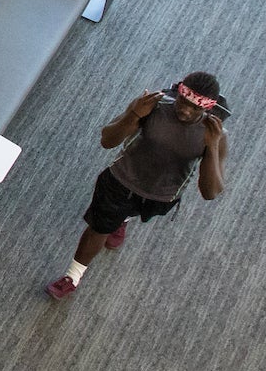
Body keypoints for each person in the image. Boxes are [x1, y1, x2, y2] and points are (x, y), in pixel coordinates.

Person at [47, 72, 229, 301]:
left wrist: (211, 147)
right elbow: (107, 140)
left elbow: (210, 192)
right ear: (178, 92)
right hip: (119, 181)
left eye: (195, 108)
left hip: (160, 196)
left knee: (127, 213)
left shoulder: (215, 135)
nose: (185, 110)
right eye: (183, 102)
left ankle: (123, 219)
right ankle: (72, 277)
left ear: (207, 109)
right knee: (99, 229)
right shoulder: (153, 105)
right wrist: (134, 115)